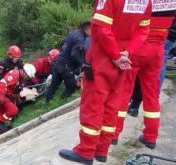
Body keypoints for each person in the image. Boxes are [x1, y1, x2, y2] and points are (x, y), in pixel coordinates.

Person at [58, 0, 152, 164]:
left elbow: (102, 29)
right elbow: (143, 30)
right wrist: (127, 52)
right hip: (123, 59)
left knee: (93, 105)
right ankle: (102, 150)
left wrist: (115, 56)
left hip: (103, 58)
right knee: (111, 105)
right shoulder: (146, 1)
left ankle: (85, 152)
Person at [112, 5, 176, 149]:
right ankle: (150, 137)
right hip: (157, 50)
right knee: (152, 96)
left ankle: (114, 134)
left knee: (124, 92)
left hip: (136, 47)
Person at [127, 17, 176, 117]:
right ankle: (152, 96)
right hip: (168, 34)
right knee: (157, 64)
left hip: (151, 31)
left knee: (137, 65)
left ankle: (132, 103)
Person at [45, 21, 91, 103]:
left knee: (53, 86)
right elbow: (74, 54)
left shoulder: (74, 33)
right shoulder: (80, 39)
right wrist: (82, 64)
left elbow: (63, 44)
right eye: (92, 30)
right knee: (72, 87)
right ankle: (62, 101)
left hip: (59, 62)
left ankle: (46, 103)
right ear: (87, 29)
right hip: (66, 66)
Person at [0, 64, 36, 137]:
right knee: (13, 110)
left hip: (6, 96)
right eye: (27, 77)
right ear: (25, 73)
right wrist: (1, 96)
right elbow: (1, 83)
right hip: (2, 95)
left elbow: (15, 90)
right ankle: (0, 121)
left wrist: (18, 99)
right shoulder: (14, 74)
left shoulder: (21, 79)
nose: (27, 78)